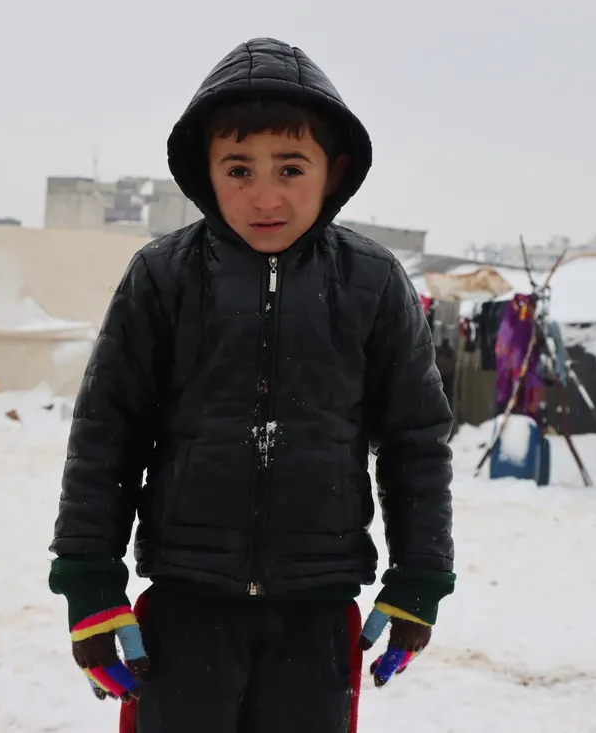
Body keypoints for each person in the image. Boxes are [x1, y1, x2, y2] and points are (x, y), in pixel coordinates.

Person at [48, 37, 456, 733]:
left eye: (291, 167)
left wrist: (419, 578)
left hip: (317, 614)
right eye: (238, 168)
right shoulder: (163, 278)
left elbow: (416, 442)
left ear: (336, 171)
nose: (264, 195)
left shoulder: (372, 281)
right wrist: (90, 583)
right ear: (204, 174)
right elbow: (106, 436)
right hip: (185, 611)